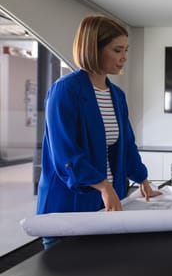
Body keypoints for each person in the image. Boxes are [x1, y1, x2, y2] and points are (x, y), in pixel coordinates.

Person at [36, 14, 161, 248]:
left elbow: (126, 146)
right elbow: (66, 153)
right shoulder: (64, 90)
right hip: (70, 207)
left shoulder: (117, 96)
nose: (124, 57)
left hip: (106, 204)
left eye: (126, 50)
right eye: (117, 50)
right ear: (94, 49)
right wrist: (103, 185)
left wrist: (142, 178)